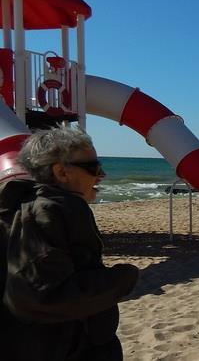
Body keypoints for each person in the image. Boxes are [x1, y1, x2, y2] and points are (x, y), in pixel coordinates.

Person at [1, 126, 139, 360]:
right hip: (67, 348)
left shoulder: (18, 205)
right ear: (61, 172)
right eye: (93, 167)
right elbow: (44, 296)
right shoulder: (53, 211)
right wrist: (123, 278)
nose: (102, 175)